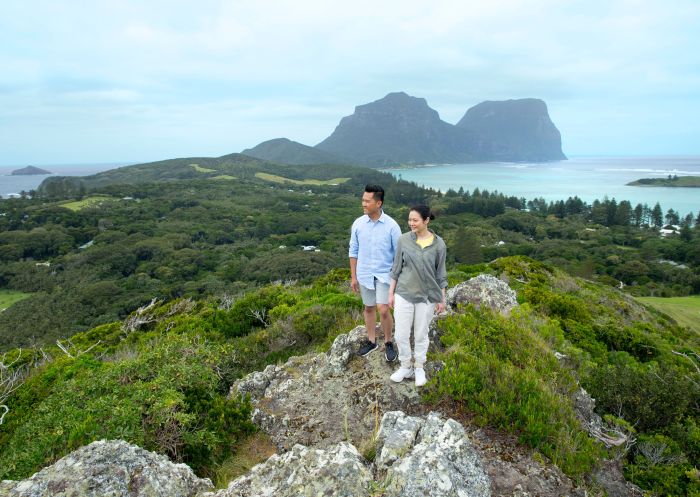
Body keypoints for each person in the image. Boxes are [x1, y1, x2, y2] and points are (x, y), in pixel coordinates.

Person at [388, 205, 447, 386]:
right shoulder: (404, 240)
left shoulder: (439, 244)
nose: (411, 223)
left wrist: (441, 298)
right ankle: (405, 366)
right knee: (401, 334)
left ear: (426, 221)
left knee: (421, 334)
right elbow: (396, 268)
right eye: (409, 219)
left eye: (415, 220)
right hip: (404, 293)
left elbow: (440, 274)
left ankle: (419, 366)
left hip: (427, 297)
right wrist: (391, 293)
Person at [349, 184, 401, 361]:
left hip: (385, 275)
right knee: (369, 308)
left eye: (367, 201)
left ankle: (388, 342)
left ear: (378, 203)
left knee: (383, 309)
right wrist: (353, 276)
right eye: (363, 200)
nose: (363, 203)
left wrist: (397, 280)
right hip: (364, 274)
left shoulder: (392, 226)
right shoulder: (358, 223)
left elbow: (399, 255)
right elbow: (353, 250)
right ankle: (372, 341)